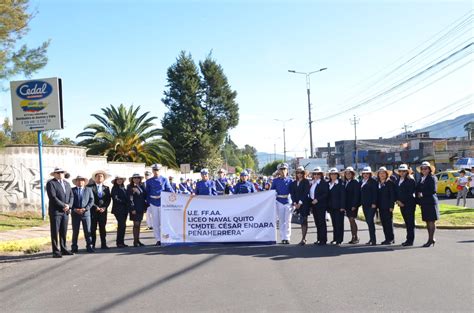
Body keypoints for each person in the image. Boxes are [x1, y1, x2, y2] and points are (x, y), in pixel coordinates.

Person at [46, 167, 74, 258]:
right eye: (58, 173)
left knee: (64, 231)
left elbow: (71, 196)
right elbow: (53, 197)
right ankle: (55, 251)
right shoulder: (51, 183)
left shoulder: (67, 183)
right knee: (55, 231)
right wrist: (63, 205)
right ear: (54, 174)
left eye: (61, 172)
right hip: (56, 211)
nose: (60, 174)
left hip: (65, 212)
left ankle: (64, 248)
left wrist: (69, 205)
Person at [146, 163, 173, 246]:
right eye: (154, 170)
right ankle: (158, 239)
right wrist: (148, 202)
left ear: (159, 170)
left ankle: (166, 238)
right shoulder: (149, 181)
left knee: (164, 222)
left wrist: (176, 195)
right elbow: (147, 192)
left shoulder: (164, 179)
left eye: (157, 170)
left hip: (162, 202)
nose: (156, 171)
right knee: (155, 222)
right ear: (152, 171)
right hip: (153, 203)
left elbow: (169, 190)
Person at [416, 161, 440, 247]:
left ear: (429, 169)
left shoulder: (432, 178)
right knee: (427, 221)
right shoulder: (422, 178)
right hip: (424, 203)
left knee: (431, 221)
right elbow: (418, 188)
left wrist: (421, 193)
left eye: (425, 168)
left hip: (431, 202)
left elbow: (433, 190)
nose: (423, 170)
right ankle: (431, 239)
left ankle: (431, 239)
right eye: (422, 169)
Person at [71, 175, 95, 253]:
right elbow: (69, 201)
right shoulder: (72, 190)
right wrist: (74, 209)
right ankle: (74, 247)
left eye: (82, 180)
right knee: (75, 231)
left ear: (84, 182)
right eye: (78, 180)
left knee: (87, 230)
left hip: (86, 213)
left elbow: (92, 201)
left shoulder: (88, 190)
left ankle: (89, 246)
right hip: (75, 213)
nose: (80, 182)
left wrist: (85, 208)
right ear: (76, 182)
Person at [88, 170, 112, 249]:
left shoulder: (106, 188)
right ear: (95, 178)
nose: (99, 178)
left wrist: (105, 207)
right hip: (93, 211)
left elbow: (108, 199)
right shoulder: (90, 187)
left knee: (102, 228)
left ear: (103, 178)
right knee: (93, 228)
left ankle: (103, 244)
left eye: (101, 176)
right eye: (98, 176)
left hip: (103, 211)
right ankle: (92, 245)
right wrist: (96, 207)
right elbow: (89, 199)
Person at [271, 163, 293, 244]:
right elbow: (272, 191)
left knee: (288, 221)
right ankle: (283, 237)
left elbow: (293, 192)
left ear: (287, 170)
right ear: (279, 171)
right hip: (279, 201)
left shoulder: (290, 180)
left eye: (284, 169)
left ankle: (287, 237)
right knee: (281, 221)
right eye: (281, 169)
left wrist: (293, 202)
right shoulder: (275, 181)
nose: (283, 171)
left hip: (288, 202)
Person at [395, 164, 417, 246]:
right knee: (407, 223)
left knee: (410, 223)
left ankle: (410, 240)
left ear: (407, 171)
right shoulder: (397, 180)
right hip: (401, 204)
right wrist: (397, 201)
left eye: (404, 171)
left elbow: (410, 193)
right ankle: (408, 239)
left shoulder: (410, 180)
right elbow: (395, 192)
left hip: (409, 204)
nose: (402, 172)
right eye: (400, 171)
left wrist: (402, 202)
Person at [290, 166, 311, 245]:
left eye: (301, 172)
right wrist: (295, 202)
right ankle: (303, 238)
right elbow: (292, 193)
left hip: (304, 204)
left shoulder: (306, 182)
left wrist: (300, 202)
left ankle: (304, 238)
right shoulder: (294, 183)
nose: (299, 174)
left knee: (304, 220)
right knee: (300, 221)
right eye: (297, 172)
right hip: (297, 204)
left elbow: (306, 193)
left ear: (303, 173)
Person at [309, 167, 329, 245]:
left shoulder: (324, 183)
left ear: (321, 175)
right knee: (317, 222)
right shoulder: (312, 183)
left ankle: (323, 239)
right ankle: (319, 238)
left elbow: (326, 194)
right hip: (313, 205)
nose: (316, 175)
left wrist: (317, 199)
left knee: (321, 222)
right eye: (315, 174)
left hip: (321, 205)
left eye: (318, 174)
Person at [376, 167, 396, 245]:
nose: (382, 175)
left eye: (383, 173)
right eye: (380, 173)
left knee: (388, 223)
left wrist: (391, 206)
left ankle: (391, 238)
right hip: (380, 206)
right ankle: (387, 238)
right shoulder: (378, 183)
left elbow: (392, 195)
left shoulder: (390, 183)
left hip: (388, 207)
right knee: (383, 223)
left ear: (386, 174)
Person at [128, 173, 147, 247]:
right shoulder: (130, 187)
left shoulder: (142, 186)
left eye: (138, 178)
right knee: (136, 224)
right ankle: (135, 241)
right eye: (135, 178)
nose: (136, 179)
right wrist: (132, 208)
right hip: (134, 209)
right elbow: (130, 198)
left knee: (138, 225)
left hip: (141, 208)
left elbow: (144, 197)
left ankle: (138, 240)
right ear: (132, 179)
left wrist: (145, 207)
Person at [327, 168, 346, 245]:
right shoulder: (328, 183)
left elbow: (343, 196)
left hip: (339, 207)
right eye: (331, 174)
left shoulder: (341, 183)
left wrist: (342, 206)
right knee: (334, 224)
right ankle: (335, 238)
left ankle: (339, 239)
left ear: (337, 175)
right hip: (331, 207)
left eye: (335, 174)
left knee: (339, 224)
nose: (333, 175)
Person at [360, 166, 378, 245]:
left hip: (371, 205)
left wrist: (374, 203)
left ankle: (373, 240)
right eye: (364, 173)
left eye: (367, 173)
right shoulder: (361, 182)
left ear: (370, 174)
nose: (366, 175)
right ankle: (371, 239)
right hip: (364, 205)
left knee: (370, 221)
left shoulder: (373, 182)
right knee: (368, 222)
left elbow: (375, 193)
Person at [343, 166, 360, 244]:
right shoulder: (345, 182)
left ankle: (355, 237)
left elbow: (357, 195)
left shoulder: (355, 182)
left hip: (353, 205)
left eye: (349, 173)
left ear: (352, 174)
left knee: (352, 220)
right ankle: (353, 236)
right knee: (350, 221)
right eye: (346, 173)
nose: (347, 174)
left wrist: (354, 205)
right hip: (347, 205)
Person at [111, 175, 129, 248]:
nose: (119, 180)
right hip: (118, 210)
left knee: (123, 226)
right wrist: (124, 202)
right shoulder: (114, 188)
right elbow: (115, 198)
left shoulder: (123, 188)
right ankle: (119, 243)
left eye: (121, 179)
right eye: (118, 179)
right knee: (121, 225)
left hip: (124, 209)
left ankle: (121, 242)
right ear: (115, 181)